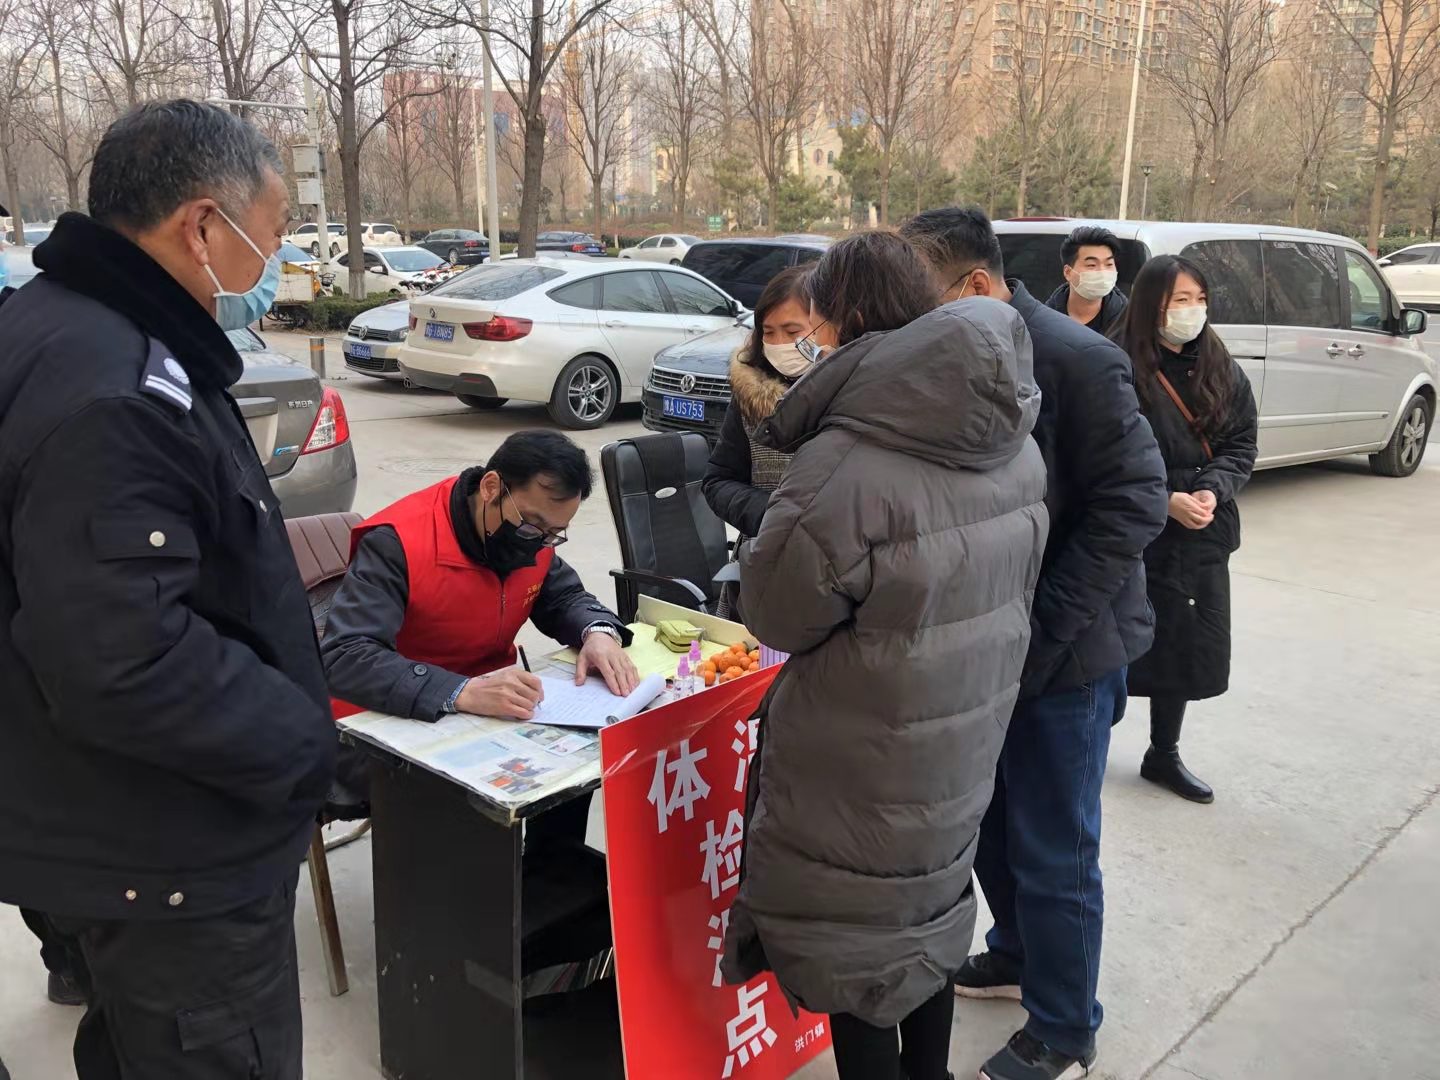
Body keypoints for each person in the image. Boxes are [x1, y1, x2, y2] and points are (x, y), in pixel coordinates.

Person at [0, 100, 336, 1078]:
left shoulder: (51, 324)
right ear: (202, 227)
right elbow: (125, 660)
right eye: (274, 233)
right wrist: (303, 743)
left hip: (106, 826)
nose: (276, 262)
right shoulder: (117, 389)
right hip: (174, 851)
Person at [722, 232, 1050, 1080]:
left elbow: (779, 612)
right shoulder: (1012, 438)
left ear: (844, 319)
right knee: (926, 919)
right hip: (961, 736)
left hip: (863, 750)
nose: (806, 339)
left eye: (813, 321)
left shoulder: (848, 461)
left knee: (858, 952)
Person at [900, 207, 1168, 1080]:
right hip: (983, 647)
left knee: (1055, 846)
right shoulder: (954, 355)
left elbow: (1135, 502)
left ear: (977, 285)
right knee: (989, 828)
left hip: (1066, 651)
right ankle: (1016, 952)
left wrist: (1042, 630)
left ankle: (1064, 1026)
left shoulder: (1076, 359)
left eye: (924, 299)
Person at [321, 430, 637, 843]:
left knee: (579, 763)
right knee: (465, 812)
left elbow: (564, 597)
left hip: (489, 709)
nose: (540, 543)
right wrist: (460, 691)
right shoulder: (398, 542)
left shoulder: (530, 537)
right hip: (387, 717)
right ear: (491, 488)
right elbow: (346, 655)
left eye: (554, 533)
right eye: (533, 526)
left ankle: (547, 874)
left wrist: (597, 632)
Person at [1111, 256, 1258, 803]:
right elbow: (1103, 454)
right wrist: (1162, 500)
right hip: (1133, 535)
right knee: (1110, 643)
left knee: (1183, 644)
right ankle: (1085, 745)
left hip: (1199, 535)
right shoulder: (1116, 363)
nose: (1192, 311)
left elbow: (1240, 443)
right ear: (1153, 304)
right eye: (1180, 301)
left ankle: (1163, 752)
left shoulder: (1218, 364)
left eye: (1200, 300)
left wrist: (1212, 490)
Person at [702, 265, 813, 618]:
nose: (779, 343)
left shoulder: (850, 399)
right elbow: (717, 481)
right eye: (769, 332)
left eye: (792, 331)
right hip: (760, 572)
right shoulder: (751, 397)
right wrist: (770, 514)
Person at [1046, 224, 1128, 334]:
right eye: (1091, 265)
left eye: (1109, 264)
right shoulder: (1046, 320)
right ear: (1068, 272)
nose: (1102, 272)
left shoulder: (1128, 323)